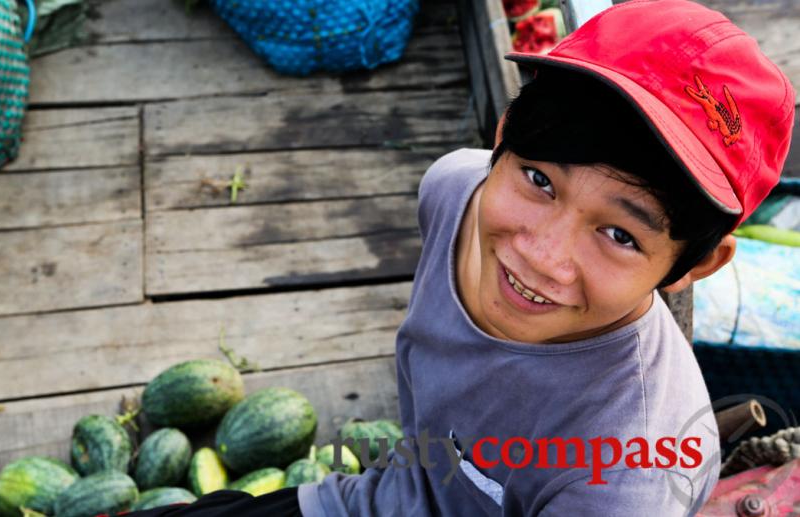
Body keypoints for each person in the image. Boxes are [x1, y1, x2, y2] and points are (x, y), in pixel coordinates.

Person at [124, 0, 795, 515]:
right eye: (539, 180)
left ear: (693, 267)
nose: (541, 256)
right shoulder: (452, 191)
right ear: (501, 138)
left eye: (618, 235)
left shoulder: (629, 473)